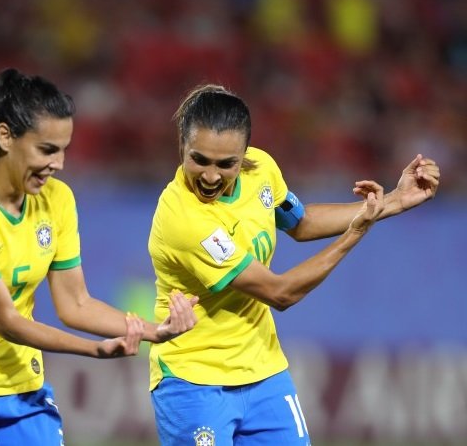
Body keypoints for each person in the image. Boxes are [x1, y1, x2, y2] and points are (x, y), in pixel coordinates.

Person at [0, 68, 198, 446]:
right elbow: (8, 321)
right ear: (5, 136)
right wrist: (94, 349)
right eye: (46, 149)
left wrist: (154, 332)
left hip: (20, 387)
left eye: (63, 150)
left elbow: (76, 303)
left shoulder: (57, 200)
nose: (58, 163)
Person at [147, 84, 440, 445]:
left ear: (244, 154)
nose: (210, 176)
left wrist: (394, 201)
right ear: (182, 145)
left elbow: (300, 224)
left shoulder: (262, 169)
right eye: (200, 160)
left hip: (264, 371)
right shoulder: (183, 219)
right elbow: (279, 293)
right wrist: (354, 234)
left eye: (226, 164)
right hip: (194, 381)